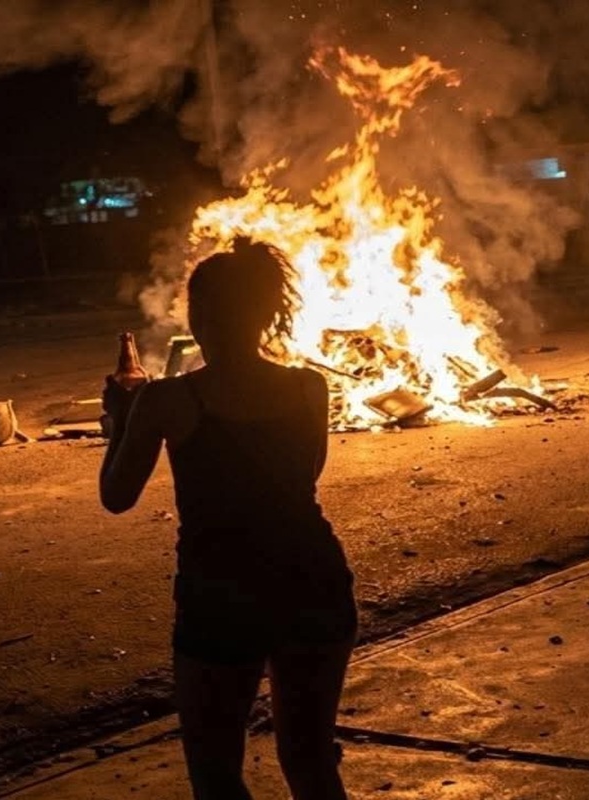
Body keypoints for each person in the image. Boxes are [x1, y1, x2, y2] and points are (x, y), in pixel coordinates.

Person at [100, 239, 358, 800]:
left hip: (222, 591)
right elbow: (304, 477)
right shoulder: (308, 388)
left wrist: (121, 421)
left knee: (216, 774)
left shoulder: (166, 400)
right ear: (268, 313)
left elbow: (117, 495)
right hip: (313, 580)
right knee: (311, 761)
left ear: (196, 316)